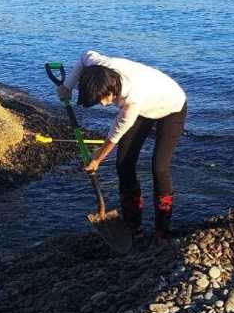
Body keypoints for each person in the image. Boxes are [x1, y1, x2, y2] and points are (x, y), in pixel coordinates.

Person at [59, 50, 187, 242]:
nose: (102, 104)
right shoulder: (101, 66)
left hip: (172, 105)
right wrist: (67, 86)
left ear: (113, 88)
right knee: (124, 164)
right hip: (147, 102)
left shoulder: (132, 100)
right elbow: (85, 56)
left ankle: (163, 229)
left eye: (104, 99)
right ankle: (133, 223)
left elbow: (114, 135)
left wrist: (96, 159)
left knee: (159, 167)